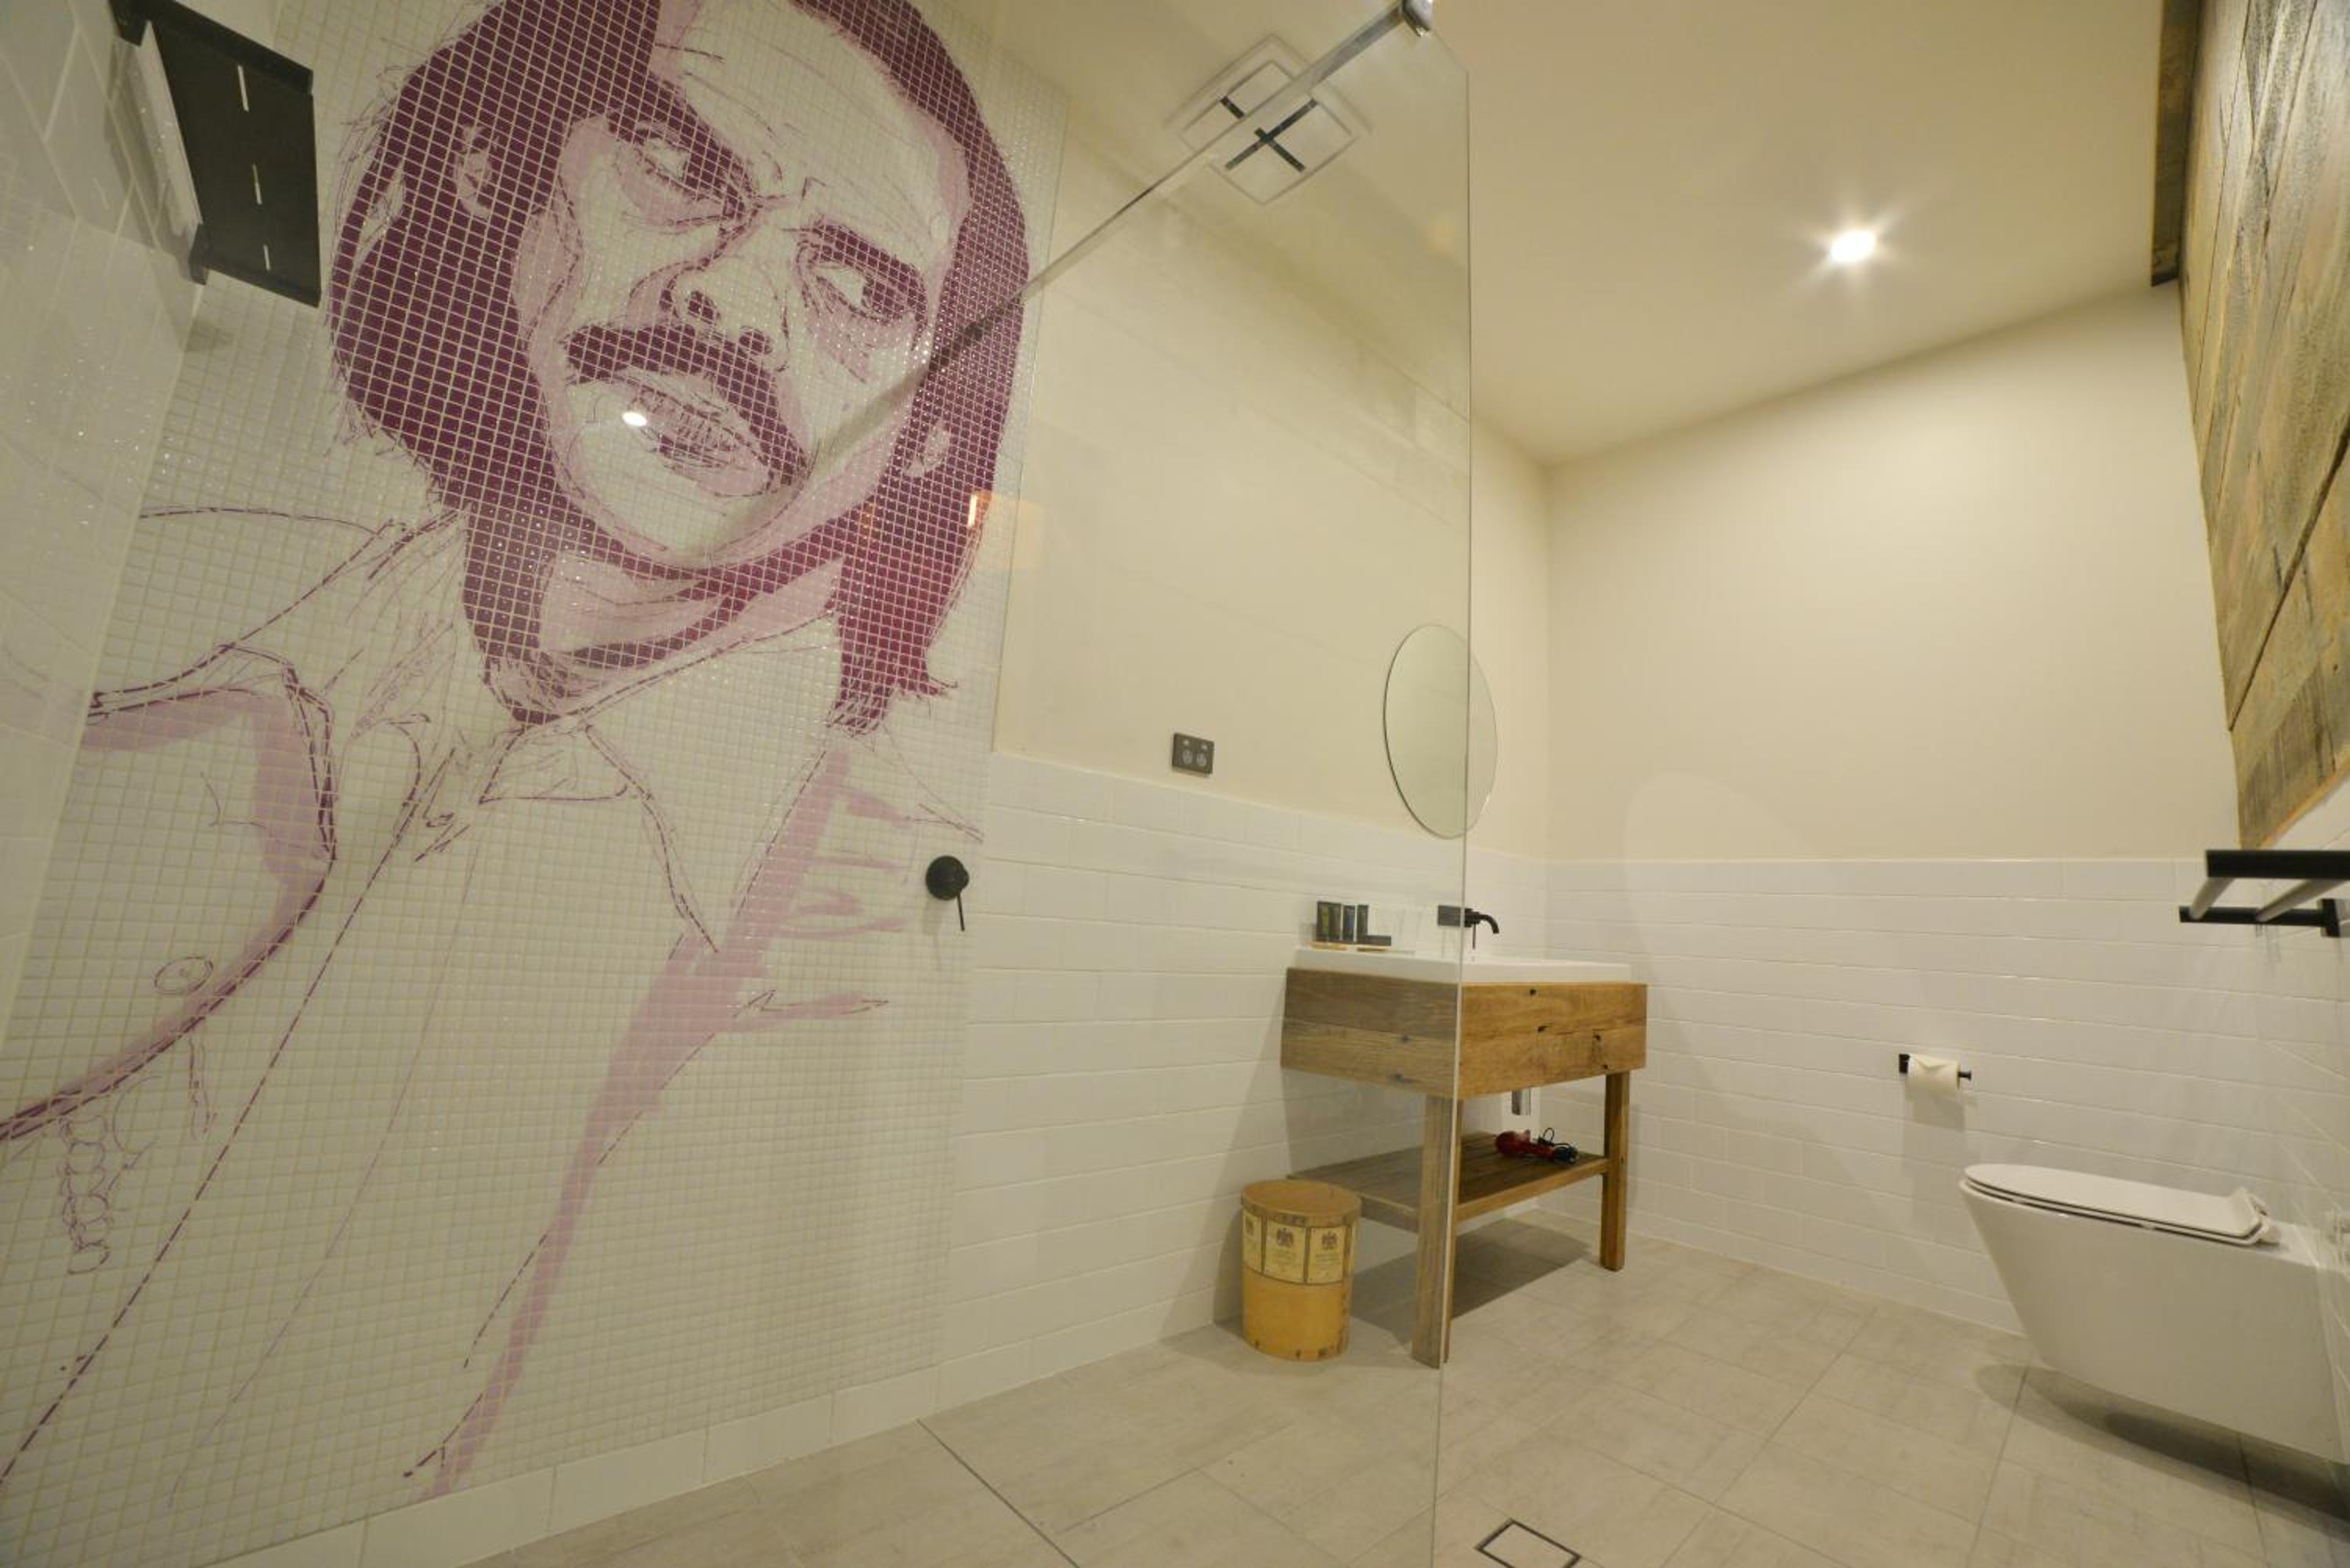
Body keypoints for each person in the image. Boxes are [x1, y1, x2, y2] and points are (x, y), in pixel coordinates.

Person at [0, 0, 1030, 1556]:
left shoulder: (846, 912)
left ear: (924, 443)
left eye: (858, 287)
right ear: (501, 168)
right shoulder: (203, 618)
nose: (731, 299)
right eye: (682, 160)